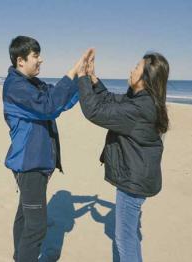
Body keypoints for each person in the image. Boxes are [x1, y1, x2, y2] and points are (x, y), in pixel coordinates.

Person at [2, 35, 91, 262]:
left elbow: (59, 101)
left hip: (36, 163)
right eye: (36, 56)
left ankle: (19, 256)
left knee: (25, 214)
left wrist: (83, 79)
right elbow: (49, 106)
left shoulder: (32, 84)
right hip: (29, 165)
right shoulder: (16, 88)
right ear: (20, 60)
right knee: (37, 227)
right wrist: (72, 70)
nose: (41, 60)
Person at [78, 49, 169, 262]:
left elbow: (94, 111)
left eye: (137, 67)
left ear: (146, 79)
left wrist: (81, 77)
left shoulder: (140, 108)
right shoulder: (141, 100)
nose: (131, 69)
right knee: (129, 236)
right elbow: (109, 100)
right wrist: (92, 78)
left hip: (133, 181)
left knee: (124, 239)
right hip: (138, 176)